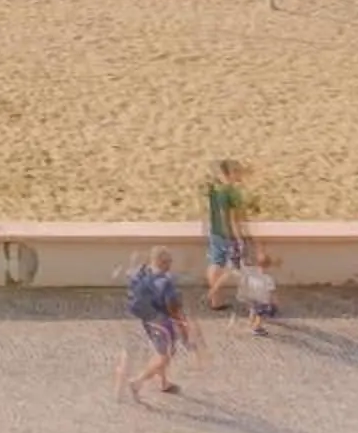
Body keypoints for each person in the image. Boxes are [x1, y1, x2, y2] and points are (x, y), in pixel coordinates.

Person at [116, 248, 194, 396]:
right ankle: (137, 382)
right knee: (165, 355)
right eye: (169, 262)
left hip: (145, 317)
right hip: (160, 321)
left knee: (160, 350)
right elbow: (173, 308)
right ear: (162, 262)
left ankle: (164, 382)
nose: (170, 265)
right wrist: (183, 327)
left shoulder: (140, 272)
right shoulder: (166, 283)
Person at [204, 160, 253, 311]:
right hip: (227, 234)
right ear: (230, 174)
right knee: (234, 268)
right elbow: (232, 219)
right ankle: (250, 298)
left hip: (215, 231)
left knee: (215, 263)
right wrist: (238, 238)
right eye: (237, 172)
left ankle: (215, 299)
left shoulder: (214, 190)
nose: (240, 175)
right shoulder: (231, 193)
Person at [240, 250, 281, 335]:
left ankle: (251, 322)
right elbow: (272, 291)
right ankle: (257, 328)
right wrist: (275, 301)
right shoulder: (269, 279)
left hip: (252, 297)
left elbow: (247, 284)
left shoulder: (252, 275)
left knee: (253, 310)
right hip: (263, 300)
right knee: (261, 314)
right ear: (269, 266)